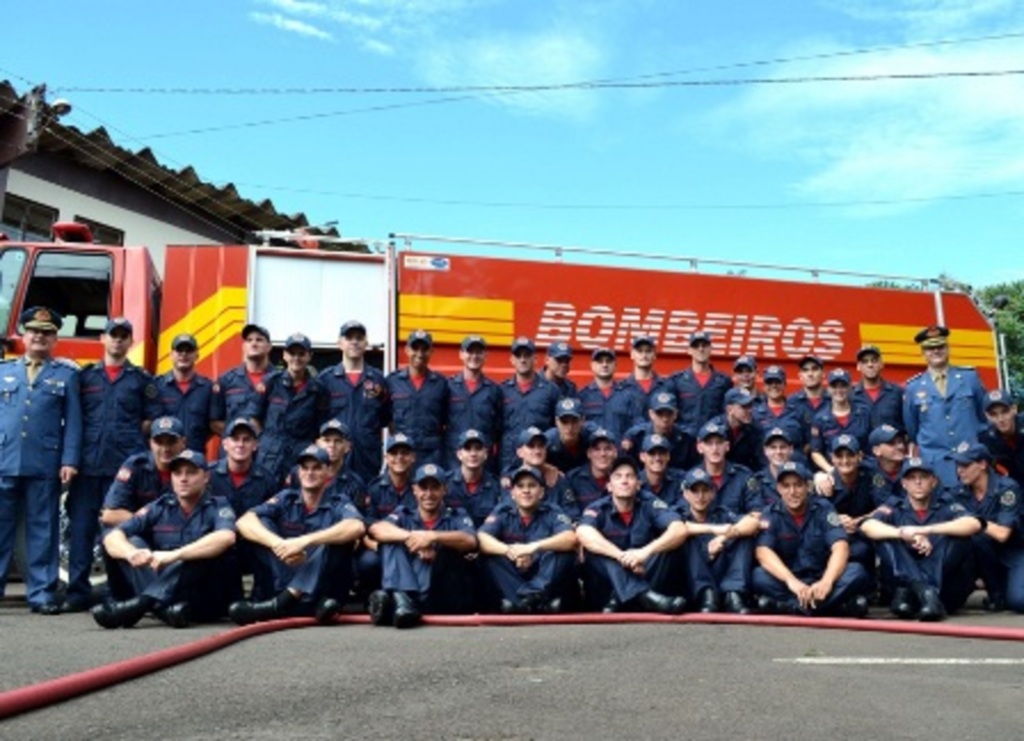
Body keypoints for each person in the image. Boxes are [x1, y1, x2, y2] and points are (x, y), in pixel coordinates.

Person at [64, 317, 158, 612]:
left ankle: (115, 592)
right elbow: (74, 421)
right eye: (112, 335)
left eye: (123, 336)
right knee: (80, 530)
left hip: (122, 471)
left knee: (119, 531)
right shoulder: (84, 378)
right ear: (103, 339)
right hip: (88, 466)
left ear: (131, 342)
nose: (117, 341)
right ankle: (77, 592)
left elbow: (149, 422)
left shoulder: (142, 380)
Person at [92, 450, 238, 629]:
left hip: (205, 598)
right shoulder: (160, 506)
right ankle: (164, 611)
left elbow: (227, 537)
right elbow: (113, 535)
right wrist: (132, 554)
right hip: (173, 598)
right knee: (133, 542)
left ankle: (141, 605)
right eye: (177, 473)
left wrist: (175, 555)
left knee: (202, 553)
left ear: (206, 477)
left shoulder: (218, 506)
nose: (183, 479)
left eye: (191, 473)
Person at [0, 307, 82, 614]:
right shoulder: (3, 372)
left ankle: (41, 592)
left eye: (46, 333)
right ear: (23, 335)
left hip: (44, 463)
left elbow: (74, 423)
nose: (39, 337)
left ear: (55, 339)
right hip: (4, 460)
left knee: (43, 529)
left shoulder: (67, 375)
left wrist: (70, 460)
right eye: (34, 331)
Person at [229, 445, 367, 624]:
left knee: (337, 538)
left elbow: (357, 527)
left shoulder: (339, 502)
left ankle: (284, 602)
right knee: (261, 523)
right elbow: (243, 522)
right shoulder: (286, 498)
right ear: (298, 472)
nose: (309, 473)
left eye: (316, 468)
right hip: (286, 571)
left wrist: (304, 541)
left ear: (328, 472)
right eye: (305, 468)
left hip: (321, 588)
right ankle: (291, 600)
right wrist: (279, 544)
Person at [860, 457, 983, 621]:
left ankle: (925, 591)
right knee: (884, 537)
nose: (918, 482)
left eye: (923, 477)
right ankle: (925, 591)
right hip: (906, 596)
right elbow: (867, 526)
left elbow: (974, 524)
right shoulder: (894, 506)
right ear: (904, 484)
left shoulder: (946, 504)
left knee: (959, 535)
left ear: (933, 481)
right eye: (912, 478)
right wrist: (904, 534)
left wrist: (924, 530)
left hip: (943, 594)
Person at [367, 464, 479, 628]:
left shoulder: (456, 514)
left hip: (442, 592)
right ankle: (403, 600)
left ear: (444, 490)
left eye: (435, 488)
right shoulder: (404, 513)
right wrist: (412, 537)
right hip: (415, 584)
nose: (428, 494)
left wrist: (432, 537)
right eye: (423, 488)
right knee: (390, 541)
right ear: (414, 490)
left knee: (443, 551)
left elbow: (471, 540)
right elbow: (376, 529)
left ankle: (397, 599)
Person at [753, 461, 870, 617]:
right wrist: (791, 582)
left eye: (798, 485)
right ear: (779, 488)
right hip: (790, 580)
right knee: (758, 575)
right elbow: (763, 551)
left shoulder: (823, 508)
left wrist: (826, 581)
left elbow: (840, 546)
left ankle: (789, 607)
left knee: (857, 572)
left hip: (822, 577)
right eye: (786, 486)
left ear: (807, 487)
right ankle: (831, 608)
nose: (792, 491)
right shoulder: (770, 513)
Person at [576, 455, 688, 614]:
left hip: (644, 571)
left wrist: (644, 553)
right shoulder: (599, 507)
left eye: (630, 476)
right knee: (594, 551)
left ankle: (624, 596)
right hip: (606, 588)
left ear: (638, 484)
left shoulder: (649, 503)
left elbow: (679, 529)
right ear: (609, 486)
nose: (624, 481)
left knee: (669, 544)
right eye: (618, 477)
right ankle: (645, 596)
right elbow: (583, 532)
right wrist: (621, 556)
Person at [477, 465, 578, 613]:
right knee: (489, 557)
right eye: (520, 486)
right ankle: (537, 603)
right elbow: (481, 538)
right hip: (514, 570)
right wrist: (510, 551)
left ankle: (524, 601)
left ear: (542, 492)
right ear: (512, 493)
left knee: (565, 553)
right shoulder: (502, 511)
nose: (526, 490)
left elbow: (570, 539)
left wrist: (532, 548)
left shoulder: (552, 511)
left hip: (542, 572)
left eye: (532, 485)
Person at [903, 325, 988, 488]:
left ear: (948, 348)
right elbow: (913, 430)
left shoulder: (970, 378)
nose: (936, 351)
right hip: (937, 467)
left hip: (972, 462)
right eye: (930, 348)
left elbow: (984, 416)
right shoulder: (913, 388)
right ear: (923, 353)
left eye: (940, 346)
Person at [949, 442, 1024, 613]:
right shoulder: (958, 492)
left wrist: (974, 522)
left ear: (982, 464)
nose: (960, 470)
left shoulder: (1007, 489)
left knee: (1019, 601)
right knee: (949, 600)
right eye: (958, 465)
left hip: (1012, 552)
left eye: (966, 465)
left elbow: (1002, 534)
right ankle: (994, 592)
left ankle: (1001, 589)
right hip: (978, 556)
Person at [675, 467, 760, 613]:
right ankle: (706, 595)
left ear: (713, 493)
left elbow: (753, 522)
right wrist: (713, 530)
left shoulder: (721, 513)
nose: (700, 496)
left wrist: (724, 537)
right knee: (683, 537)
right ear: (685, 494)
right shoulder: (678, 514)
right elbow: (679, 529)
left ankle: (733, 594)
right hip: (692, 584)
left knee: (744, 536)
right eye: (695, 491)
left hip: (722, 574)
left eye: (705, 490)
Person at [319, 319, 391, 483]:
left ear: (366, 343)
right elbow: (317, 420)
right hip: (334, 457)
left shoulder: (378, 380)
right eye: (349, 338)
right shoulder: (326, 380)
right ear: (340, 343)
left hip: (367, 457)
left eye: (359, 338)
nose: (354, 342)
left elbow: (386, 417)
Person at [256, 333, 330, 484]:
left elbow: (321, 427)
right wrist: (262, 444)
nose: (296, 358)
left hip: (299, 457)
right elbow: (255, 416)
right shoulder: (271, 382)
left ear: (309, 356)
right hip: (268, 456)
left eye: (301, 354)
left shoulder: (318, 389)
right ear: (284, 355)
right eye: (292, 353)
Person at [387, 330, 449, 467]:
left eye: (425, 349)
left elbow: (446, 420)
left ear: (431, 351)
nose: (420, 354)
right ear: (407, 350)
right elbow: (386, 417)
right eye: (415, 348)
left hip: (431, 456)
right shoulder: (392, 382)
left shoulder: (441, 384)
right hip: (401, 454)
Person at [499, 337, 560, 470]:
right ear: (512, 360)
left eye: (527, 355)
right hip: (509, 464)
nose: (523, 359)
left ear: (535, 359)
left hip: (540, 462)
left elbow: (558, 428)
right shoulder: (501, 390)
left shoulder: (551, 390)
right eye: (518, 355)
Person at [445, 335, 502, 472]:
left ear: (485, 356)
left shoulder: (494, 390)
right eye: (470, 352)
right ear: (461, 354)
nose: (474, 356)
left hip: (484, 460)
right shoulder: (448, 387)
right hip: (454, 460)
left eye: (479, 352)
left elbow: (499, 429)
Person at [153, 333, 215, 453]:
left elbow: (212, 425)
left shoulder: (207, 388)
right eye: (179, 350)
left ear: (197, 355)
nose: (184, 354)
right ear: (171, 355)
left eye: (189, 350)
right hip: (165, 457)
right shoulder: (157, 386)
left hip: (195, 457)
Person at [211, 323, 276, 437]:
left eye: (259, 340)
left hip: (268, 451)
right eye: (249, 340)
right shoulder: (226, 380)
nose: (254, 344)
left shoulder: (280, 380)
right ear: (243, 346)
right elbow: (214, 421)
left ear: (269, 347)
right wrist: (238, 437)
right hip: (235, 450)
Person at [693, 420, 764, 516]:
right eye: (709, 444)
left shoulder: (744, 477)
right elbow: (682, 515)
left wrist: (732, 530)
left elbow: (757, 512)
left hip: (739, 529)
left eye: (719, 443)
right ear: (699, 448)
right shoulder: (691, 479)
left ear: (727, 446)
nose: (715, 449)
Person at [809, 369, 872, 472]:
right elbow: (816, 452)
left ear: (850, 387)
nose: (839, 390)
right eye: (834, 386)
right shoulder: (820, 418)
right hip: (833, 472)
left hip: (863, 470)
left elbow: (871, 446)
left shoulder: (864, 413)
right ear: (828, 389)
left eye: (843, 386)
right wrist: (830, 470)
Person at [621, 390, 697, 471]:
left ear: (676, 414)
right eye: (660, 413)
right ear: (651, 414)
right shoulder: (636, 436)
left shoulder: (687, 438)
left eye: (669, 413)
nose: (665, 418)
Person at [671, 331, 732, 432]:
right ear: (689, 350)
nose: (701, 349)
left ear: (710, 349)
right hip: (685, 440)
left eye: (704, 345)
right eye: (696, 346)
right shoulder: (677, 381)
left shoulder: (723, 381)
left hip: (713, 440)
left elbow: (727, 413)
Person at [445, 429, 503, 528]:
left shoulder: (497, 487)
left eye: (478, 448)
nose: (473, 454)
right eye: (468, 449)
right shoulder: (444, 483)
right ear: (459, 454)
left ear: (485, 453)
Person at [564, 427, 620, 519]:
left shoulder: (623, 478)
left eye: (608, 449)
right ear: (589, 453)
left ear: (615, 452)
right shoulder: (573, 479)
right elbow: (570, 512)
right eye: (597, 449)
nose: (602, 454)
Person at [578, 348, 633, 440]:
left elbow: (637, 422)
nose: (605, 365)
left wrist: (630, 438)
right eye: (600, 361)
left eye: (608, 361)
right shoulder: (582, 396)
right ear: (592, 365)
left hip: (620, 452)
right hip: (592, 451)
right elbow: (578, 424)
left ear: (615, 365)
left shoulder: (627, 395)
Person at [752, 365, 805, 453]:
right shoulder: (754, 414)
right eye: (769, 383)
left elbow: (808, 443)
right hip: (764, 465)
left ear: (784, 384)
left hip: (793, 464)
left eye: (777, 382)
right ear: (764, 386)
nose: (774, 386)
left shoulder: (798, 411)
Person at [851, 345, 903, 431]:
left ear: (881, 364)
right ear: (858, 366)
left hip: (890, 444)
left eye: (874, 360)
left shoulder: (897, 392)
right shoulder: (851, 395)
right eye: (865, 361)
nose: (870, 365)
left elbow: (906, 426)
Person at [979, 389, 1024, 488]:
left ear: (1014, 409)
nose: (1000, 419)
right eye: (994, 414)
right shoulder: (986, 440)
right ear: (987, 416)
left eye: (1005, 412)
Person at [620, 335, 667, 427]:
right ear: (632, 354)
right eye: (640, 351)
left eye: (648, 351)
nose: (644, 355)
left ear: (654, 354)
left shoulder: (666, 386)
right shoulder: (622, 388)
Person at [711, 388, 763, 472]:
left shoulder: (755, 428)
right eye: (744, 407)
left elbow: (762, 461)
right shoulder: (714, 430)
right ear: (729, 409)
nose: (750, 410)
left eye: (750, 406)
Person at [786, 355, 830, 450]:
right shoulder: (791, 402)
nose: (810, 374)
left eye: (814, 369)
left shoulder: (834, 400)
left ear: (823, 374)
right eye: (805, 370)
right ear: (800, 376)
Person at [638, 433, 687, 506]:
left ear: (668, 456)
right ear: (642, 457)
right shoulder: (634, 481)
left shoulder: (680, 478)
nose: (657, 458)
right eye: (652, 453)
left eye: (662, 453)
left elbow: (684, 508)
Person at [544, 397, 590, 473]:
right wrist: (544, 467)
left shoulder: (591, 438)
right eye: (564, 422)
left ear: (583, 421)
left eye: (574, 421)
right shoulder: (546, 441)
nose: (570, 427)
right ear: (556, 422)